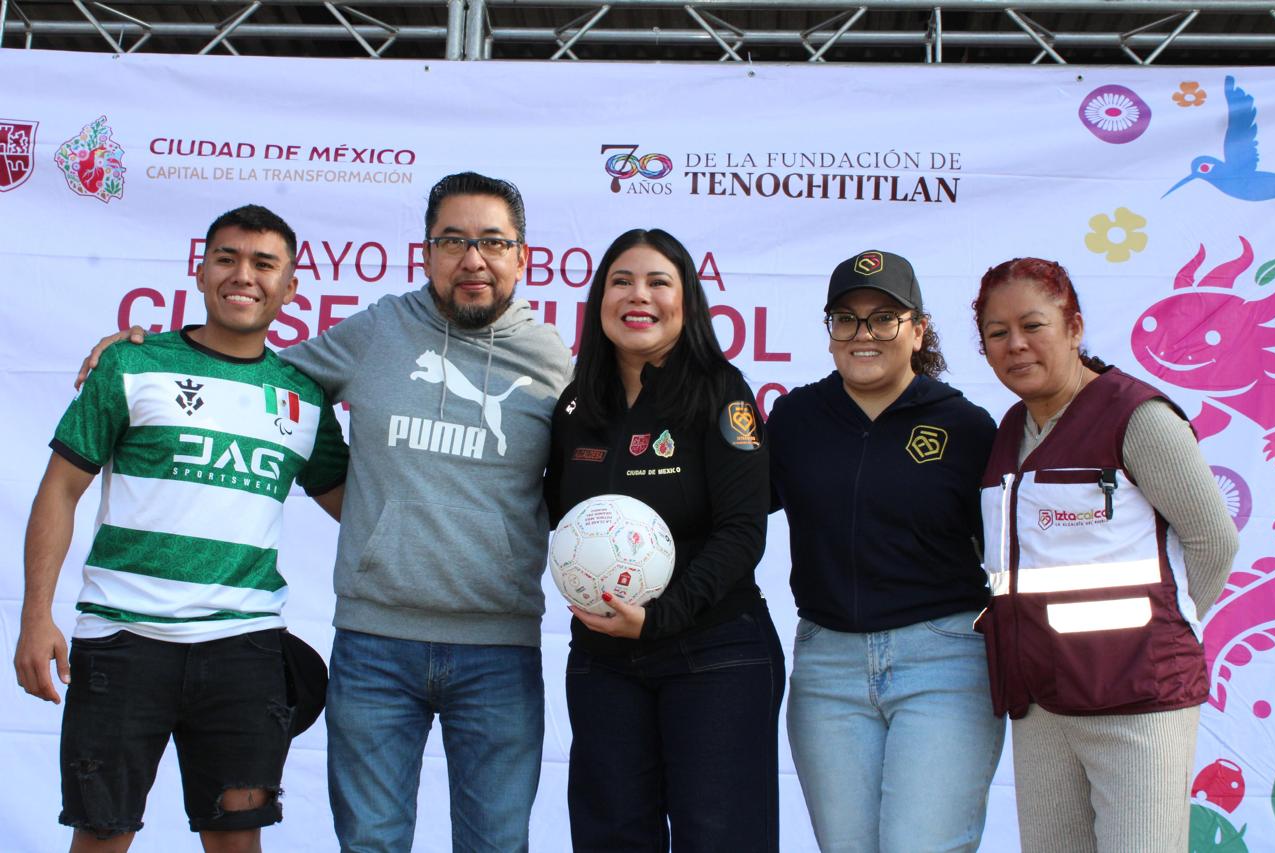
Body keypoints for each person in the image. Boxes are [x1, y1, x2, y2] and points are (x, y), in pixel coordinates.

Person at [76, 173, 574, 852]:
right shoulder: (378, 330)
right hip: (375, 645)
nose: (473, 258)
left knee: (496, 844)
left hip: (500, 649)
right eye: (452, 241)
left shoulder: (553, 360)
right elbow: (253, 371)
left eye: (493, 242)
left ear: (522, 256)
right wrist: (147, 351)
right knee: (370, 844)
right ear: (426, 252)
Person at [16, 204, 348, 853]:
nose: (243, 275)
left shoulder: (304, 396)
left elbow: (359, 509)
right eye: (227, 258)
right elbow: (59, 489)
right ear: (200, 272)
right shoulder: (131, 363)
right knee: (101, 836)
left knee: (236, 843)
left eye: (263, 263)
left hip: (245, 651)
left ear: (289, 287)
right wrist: (36, 615)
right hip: (121, 642)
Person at [972, 257, 1237, 853]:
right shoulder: (1010, 430)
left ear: (1074, 327)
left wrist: (1164, 635)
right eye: (997, 333)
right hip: (1041, 703)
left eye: (1033, 325)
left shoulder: (1137, 417)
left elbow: (1213, 541)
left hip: (1138, 698)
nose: (1016, 345)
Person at [544, 228, 784, 852]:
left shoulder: (721, 392)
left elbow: (743, 531)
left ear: (687, 300)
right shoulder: (576, 406)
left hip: (714, 655)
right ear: (600, 300)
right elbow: (558, 517)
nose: (638, 295)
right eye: (621, 281)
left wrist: (659, 618)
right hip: (602, 661)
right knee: (610, 839)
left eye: (658, 282)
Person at [767, 250, 1004, 853]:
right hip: (828, 667)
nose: (863, 334)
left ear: (918, 330)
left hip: (944, 662)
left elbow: (1010, 550)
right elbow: (726, 512)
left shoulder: (967, 427)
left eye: (883, 318)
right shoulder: (795, 418)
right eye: (846, 319)